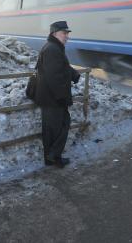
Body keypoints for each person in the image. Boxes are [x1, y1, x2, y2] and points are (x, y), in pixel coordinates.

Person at [35, 21, 80, 168]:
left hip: (50, 97)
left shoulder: (54, 47)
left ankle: (52, 158)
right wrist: (61, 98)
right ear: (54, 33)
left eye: (67, 33)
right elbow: (53, 77)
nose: (67, 36)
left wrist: (74, 74)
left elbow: (62, 67)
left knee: (52, 129)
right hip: (53, 98)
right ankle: (54, 157)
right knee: (61, 127)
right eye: (64, 33)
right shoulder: (52, 49)